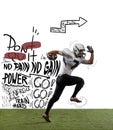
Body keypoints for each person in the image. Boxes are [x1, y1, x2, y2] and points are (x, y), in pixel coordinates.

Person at [43, 43, 94, 122]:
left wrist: (92, 52)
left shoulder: (80, 58)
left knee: (55, 98)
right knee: (81, 81)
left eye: (82, 51)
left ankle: (46, 114)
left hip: (60, 79)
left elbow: (90, 62)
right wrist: (49, 53)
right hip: (64, 77)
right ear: (76, 50)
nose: (82, 52)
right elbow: (56, 51)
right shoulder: (68, 53)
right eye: (80, 51)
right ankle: (73, 96)